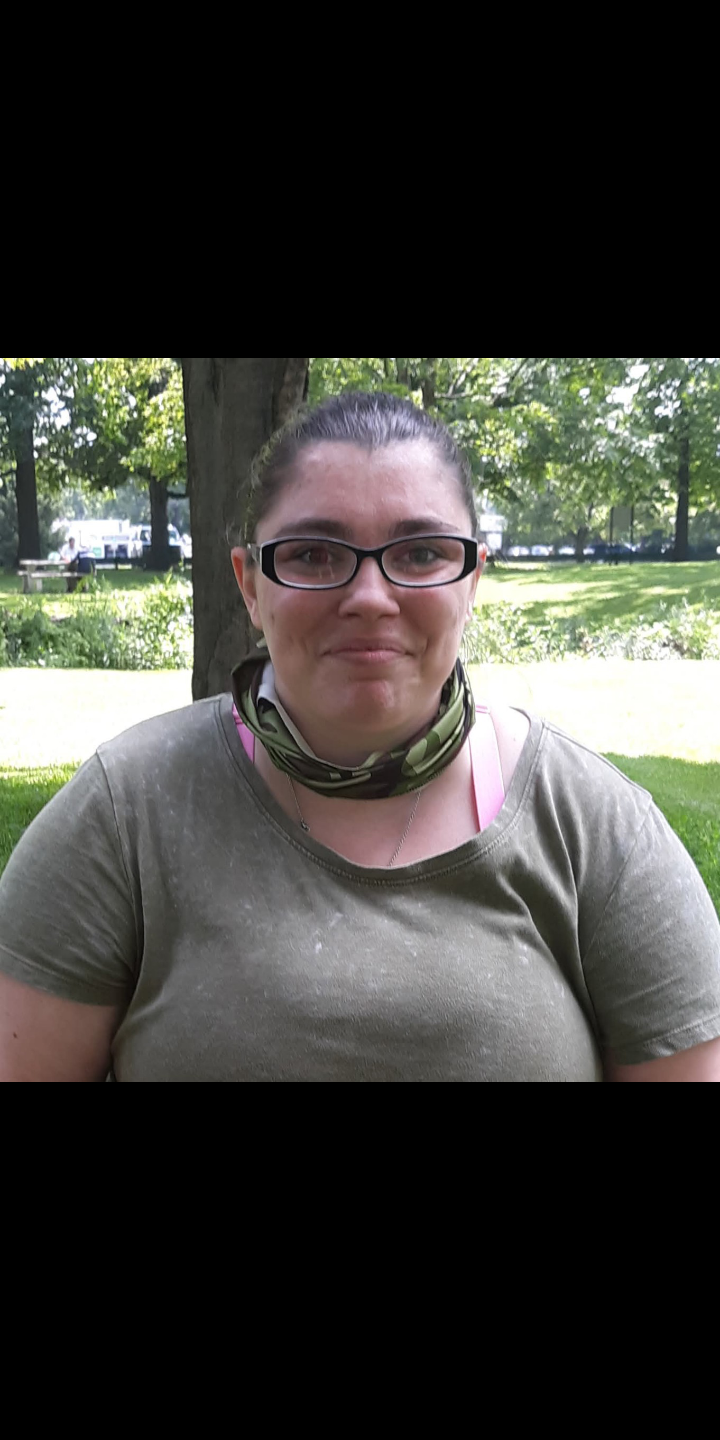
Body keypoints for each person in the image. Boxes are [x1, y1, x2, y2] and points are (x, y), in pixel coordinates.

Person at [1, 391, 719, 1082]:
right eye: (314, 555)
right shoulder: (126, 812)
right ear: (249, 585)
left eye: (421, 553)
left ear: (472, 579)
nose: (370, 598)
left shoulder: (594, 827)